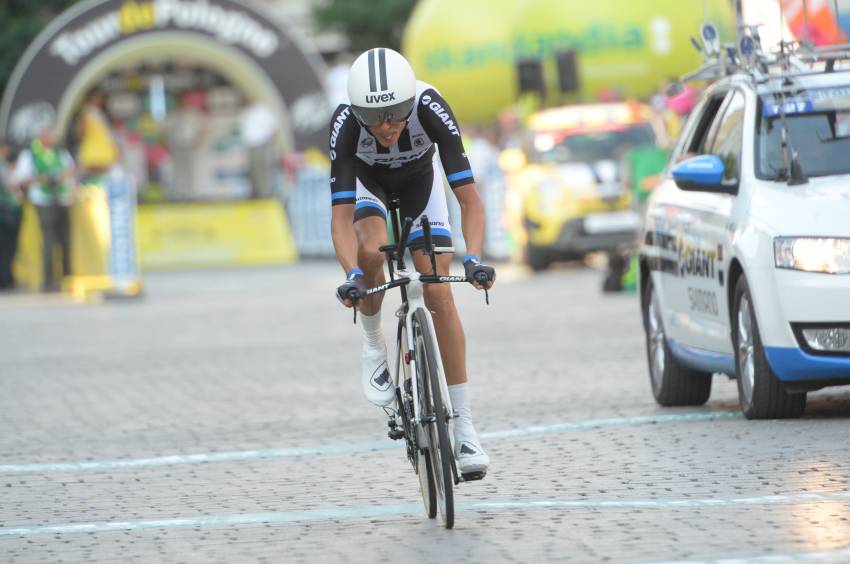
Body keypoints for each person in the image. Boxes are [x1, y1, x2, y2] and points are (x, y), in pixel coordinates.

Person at [329, 48, 495, 476]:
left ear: (411, 101)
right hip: (370, 186)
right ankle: (372, 344)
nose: (385, 127)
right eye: (374, 117)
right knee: (370, 249)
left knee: (438, 289)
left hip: (422, 184)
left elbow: (470, 202)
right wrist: (351, 275)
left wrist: (473, 257)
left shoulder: (430, 106)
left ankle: (464, 429)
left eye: (397, 113)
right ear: (357, 111)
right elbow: (341, 220)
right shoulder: (346, 125)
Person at [16, 128, 76, 292]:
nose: (52, 138)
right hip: (43, 201)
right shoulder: (29, 155)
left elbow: (71, 172)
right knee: (48, 243)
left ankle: (67, 279)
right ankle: (48, 282)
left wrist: (61, 178)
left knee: (66, 241)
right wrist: (43, 178)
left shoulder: (61, 153)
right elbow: (22, 180)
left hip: (63, 200)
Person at [0, 141, 22, 290]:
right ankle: (5, 279)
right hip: (6, 210)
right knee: (6, 246)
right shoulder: (2, 165)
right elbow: (9, 185)